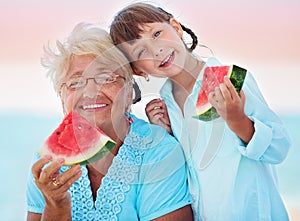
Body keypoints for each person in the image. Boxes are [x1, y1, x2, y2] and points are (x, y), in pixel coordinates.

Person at [109, 2, 292, 221]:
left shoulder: (230, 80)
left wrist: (238, 120)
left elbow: (279, 147)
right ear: (139, 70)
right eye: (141, 51)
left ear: (176, 28)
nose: (156, 50)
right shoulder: (167, 106)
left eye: (157, 33)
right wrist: (166, 136)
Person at [26, 22, 194, 221]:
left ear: (129, 90)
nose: (90, 92)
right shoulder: (47, 163)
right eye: (76, 82)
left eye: (105, 78)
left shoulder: (159, 152)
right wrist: (56, 206)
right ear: (62, 98)